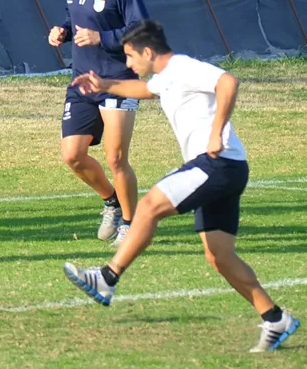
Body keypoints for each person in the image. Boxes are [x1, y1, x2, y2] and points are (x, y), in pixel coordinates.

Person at [63, 20, 299, 353]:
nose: (129, 65)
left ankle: (107, 277)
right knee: (219, 256)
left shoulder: (184, 67)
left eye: (131, 57)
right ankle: (276, 319)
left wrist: (217, 131)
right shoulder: (164, 78)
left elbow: (228, 81)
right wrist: (105, 84)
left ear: (148, 51)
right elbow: (145, 90)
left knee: (147, 207)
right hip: (227, 168)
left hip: (217, 162)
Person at [48, 0, 149, 247]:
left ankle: (131, 225)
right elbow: (73, 15)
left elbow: (141, 30)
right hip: (82, 81)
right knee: (72, 155)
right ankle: (112, 202)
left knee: (117, 158)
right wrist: (62, 31)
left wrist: (102, 37)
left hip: (118, 81)